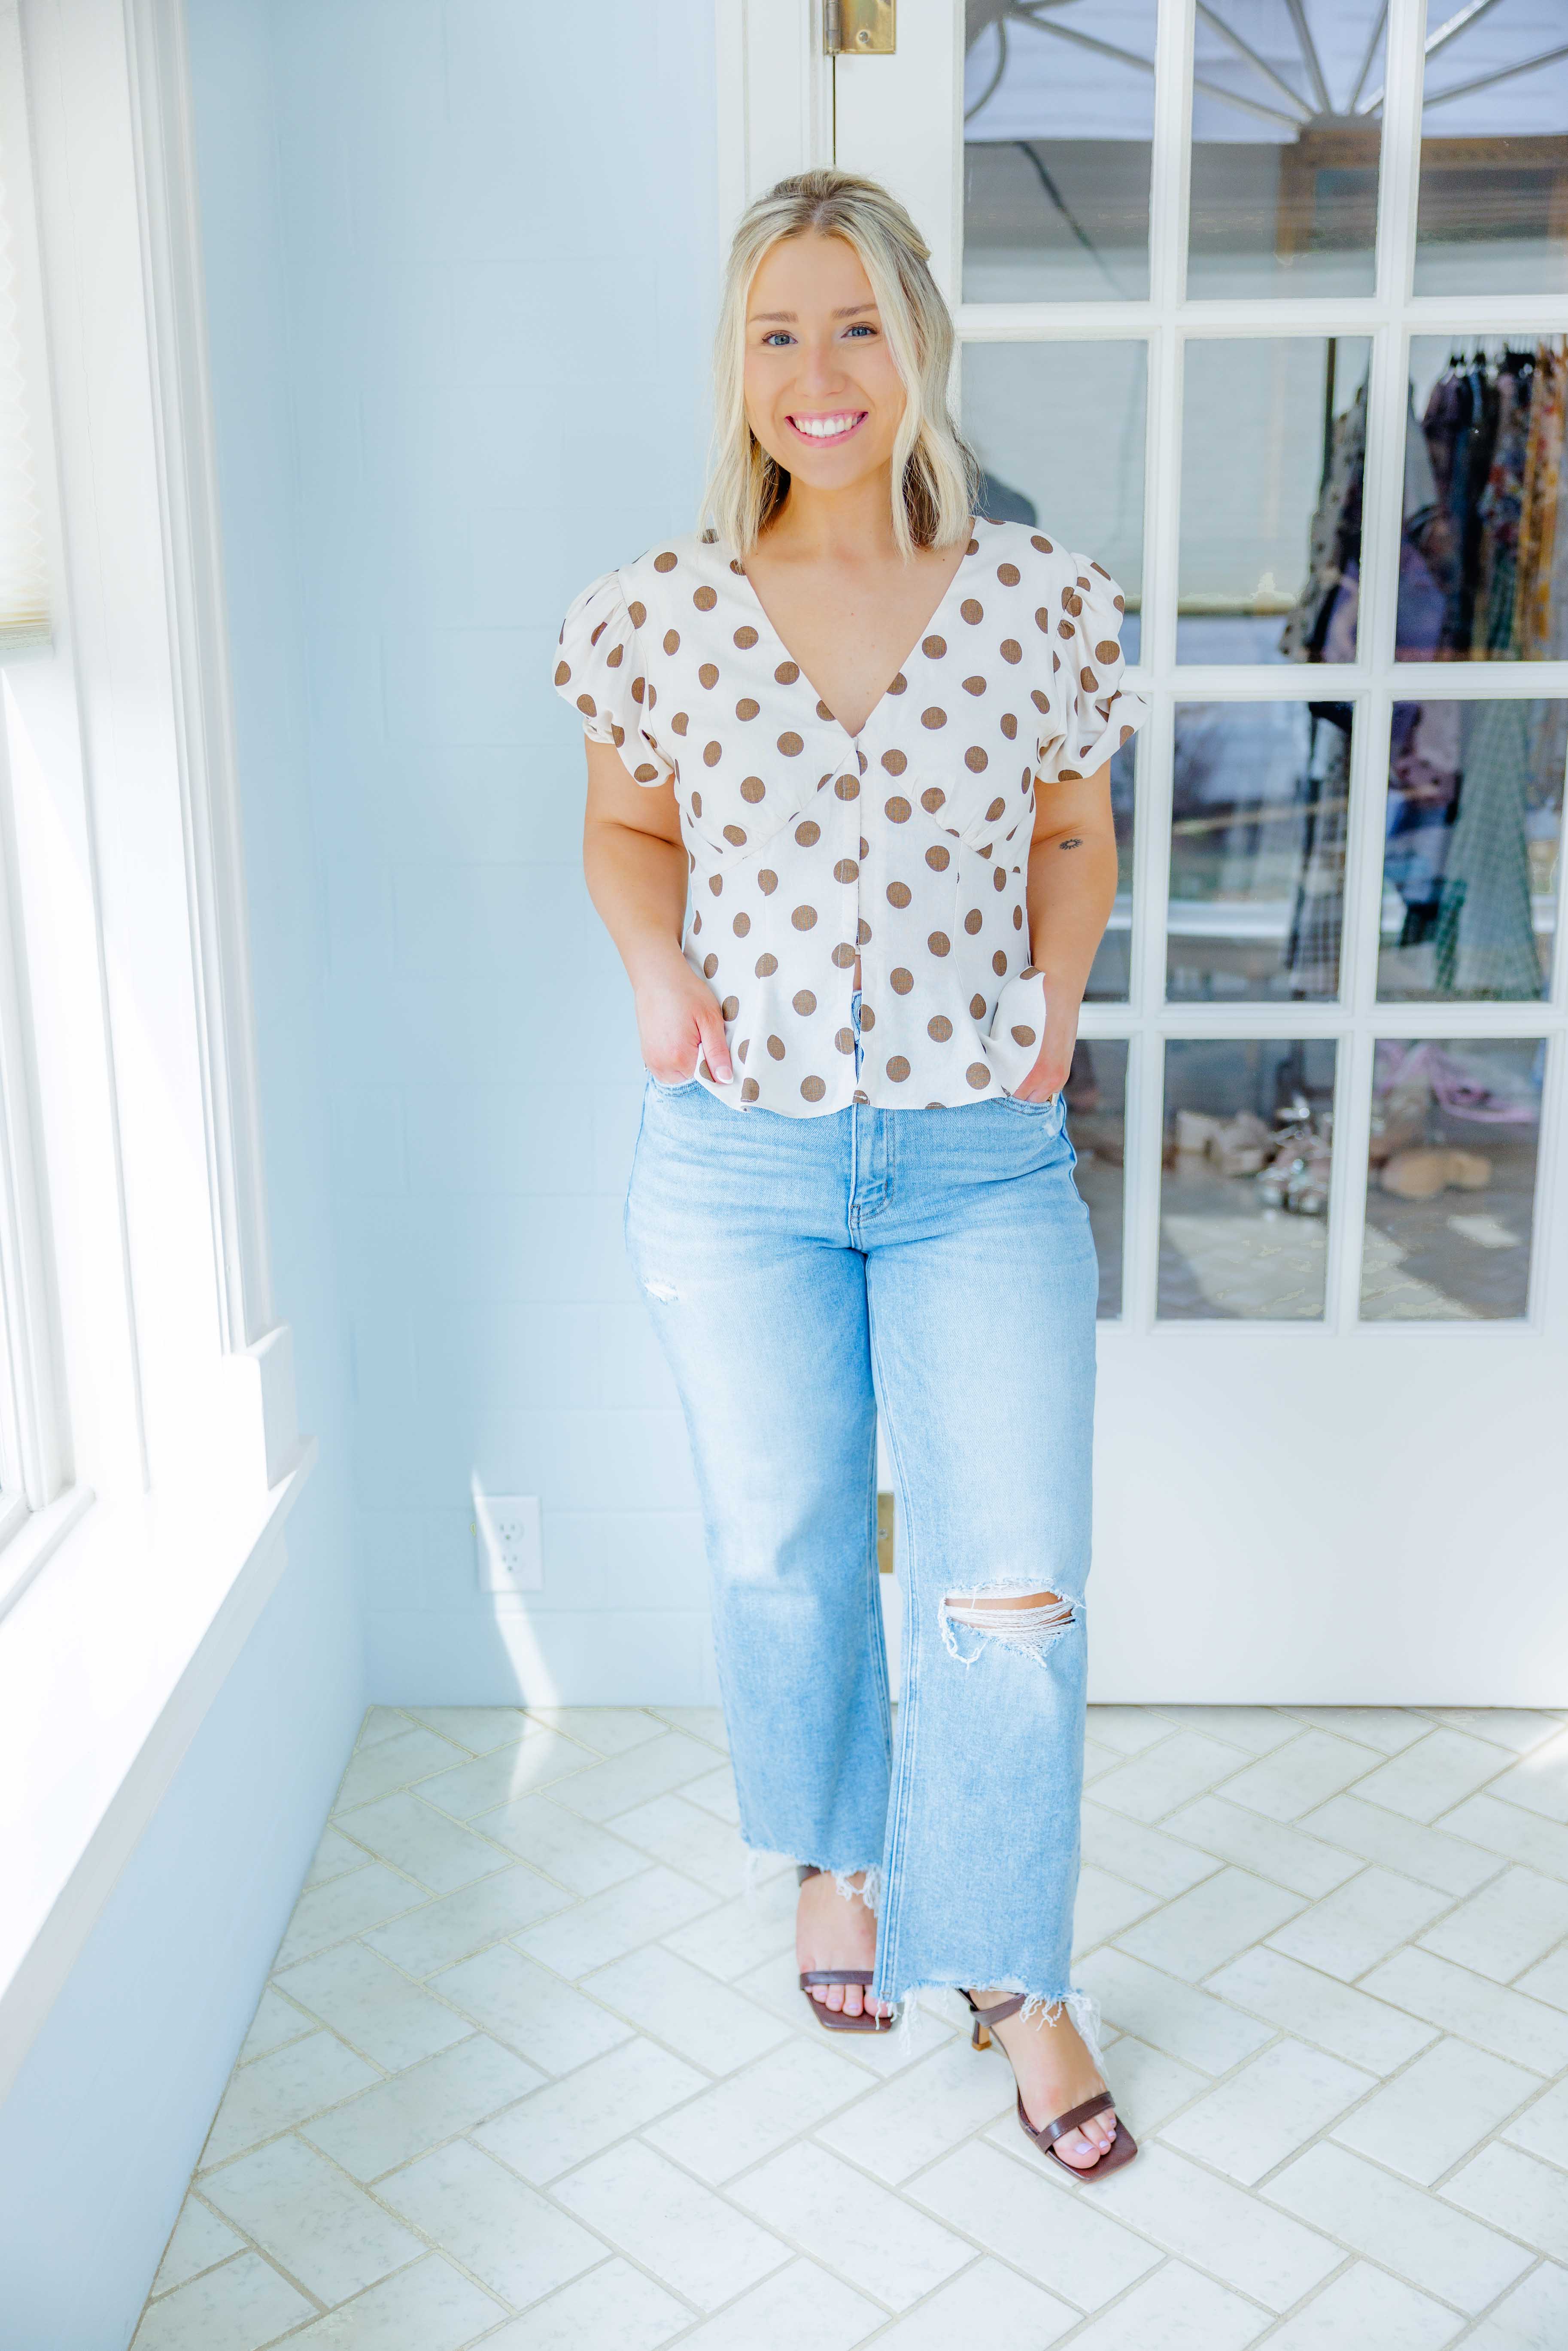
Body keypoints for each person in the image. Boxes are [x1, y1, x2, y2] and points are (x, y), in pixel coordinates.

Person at [552, 169, 1146, 2178]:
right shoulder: (656, 609)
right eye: (778, 334)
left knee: (1010, 1593)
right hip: (736, 1167)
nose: (820, 375)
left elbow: (1076, 830)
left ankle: (1014, 1970)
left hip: (981, 1162)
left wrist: (1058, 993)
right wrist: (653, 971)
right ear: (738, 368)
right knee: (786, 1548)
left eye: (857, 326)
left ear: (919, 347)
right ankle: (837, 1855)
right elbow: (626, 834)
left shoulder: (1040, 598)